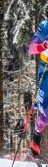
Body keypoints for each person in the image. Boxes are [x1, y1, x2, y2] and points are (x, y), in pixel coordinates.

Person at [29, 17, 48, 157]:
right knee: (45, 114)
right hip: (46, 70)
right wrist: (45, 45)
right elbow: (32, 48)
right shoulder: (45, 25)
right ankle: (36, 135)